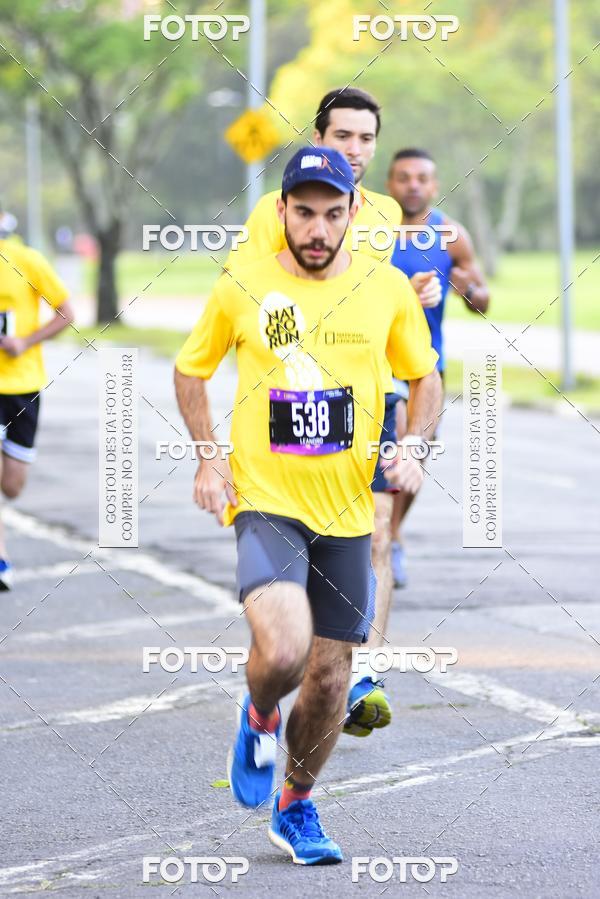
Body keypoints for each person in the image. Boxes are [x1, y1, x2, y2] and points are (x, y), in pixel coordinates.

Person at [175, 147, 441, 865]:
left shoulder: (384, 289)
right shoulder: (244, 284)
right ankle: (259, 714)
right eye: (304, 212)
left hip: (350, 513)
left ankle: (295, 804)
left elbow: (425, 376)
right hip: (267, 500)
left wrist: (414, 443)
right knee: (287, 650)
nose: (317, 228)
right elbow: (191, 367)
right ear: (282, 211)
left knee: (330, 677)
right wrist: (207, 455)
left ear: (353, 212)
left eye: (332, 212)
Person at [226, 87, 441, 738]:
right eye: (342, 136)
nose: (355, 149)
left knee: (378, 528)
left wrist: (413, 293)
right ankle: (278, 665)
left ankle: (364, 670)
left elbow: (385, 303)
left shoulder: (381, 213)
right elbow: (259, 293)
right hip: (294, 397)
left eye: (366, 138)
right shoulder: (276, 210)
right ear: (319, 137)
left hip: (374, 397)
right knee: (292, 538)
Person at [386, 148, 490, 586]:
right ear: (390, 184)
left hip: (429, 365)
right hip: (377, 361)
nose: (413, 185)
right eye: (404, 177)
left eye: (422, 178)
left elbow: (481, 302)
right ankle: (374, 536)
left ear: (434, 184)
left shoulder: (451, 235)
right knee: (390, 446)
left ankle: (390, 535)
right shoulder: (371, 228)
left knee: (416, 452)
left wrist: (472, 291)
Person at [0, 216, 74, 589]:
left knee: (12, 484)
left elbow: (66, 313)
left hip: (23, 386)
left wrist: (24, 343)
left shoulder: (26, 260)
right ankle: (1, 556)